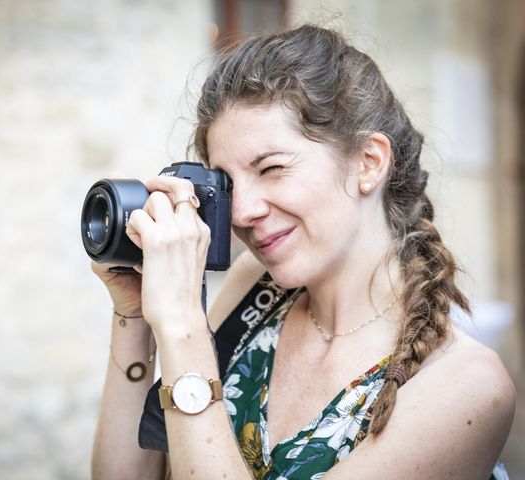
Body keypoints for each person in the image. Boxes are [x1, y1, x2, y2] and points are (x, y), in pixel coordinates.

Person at [90, 25, 516, 480]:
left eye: (271, 168)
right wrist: (136, 315)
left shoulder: (467, 387)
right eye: (230, 184)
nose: (244, 212)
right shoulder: (256, 289)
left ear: (367, 162)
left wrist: (182, 329)